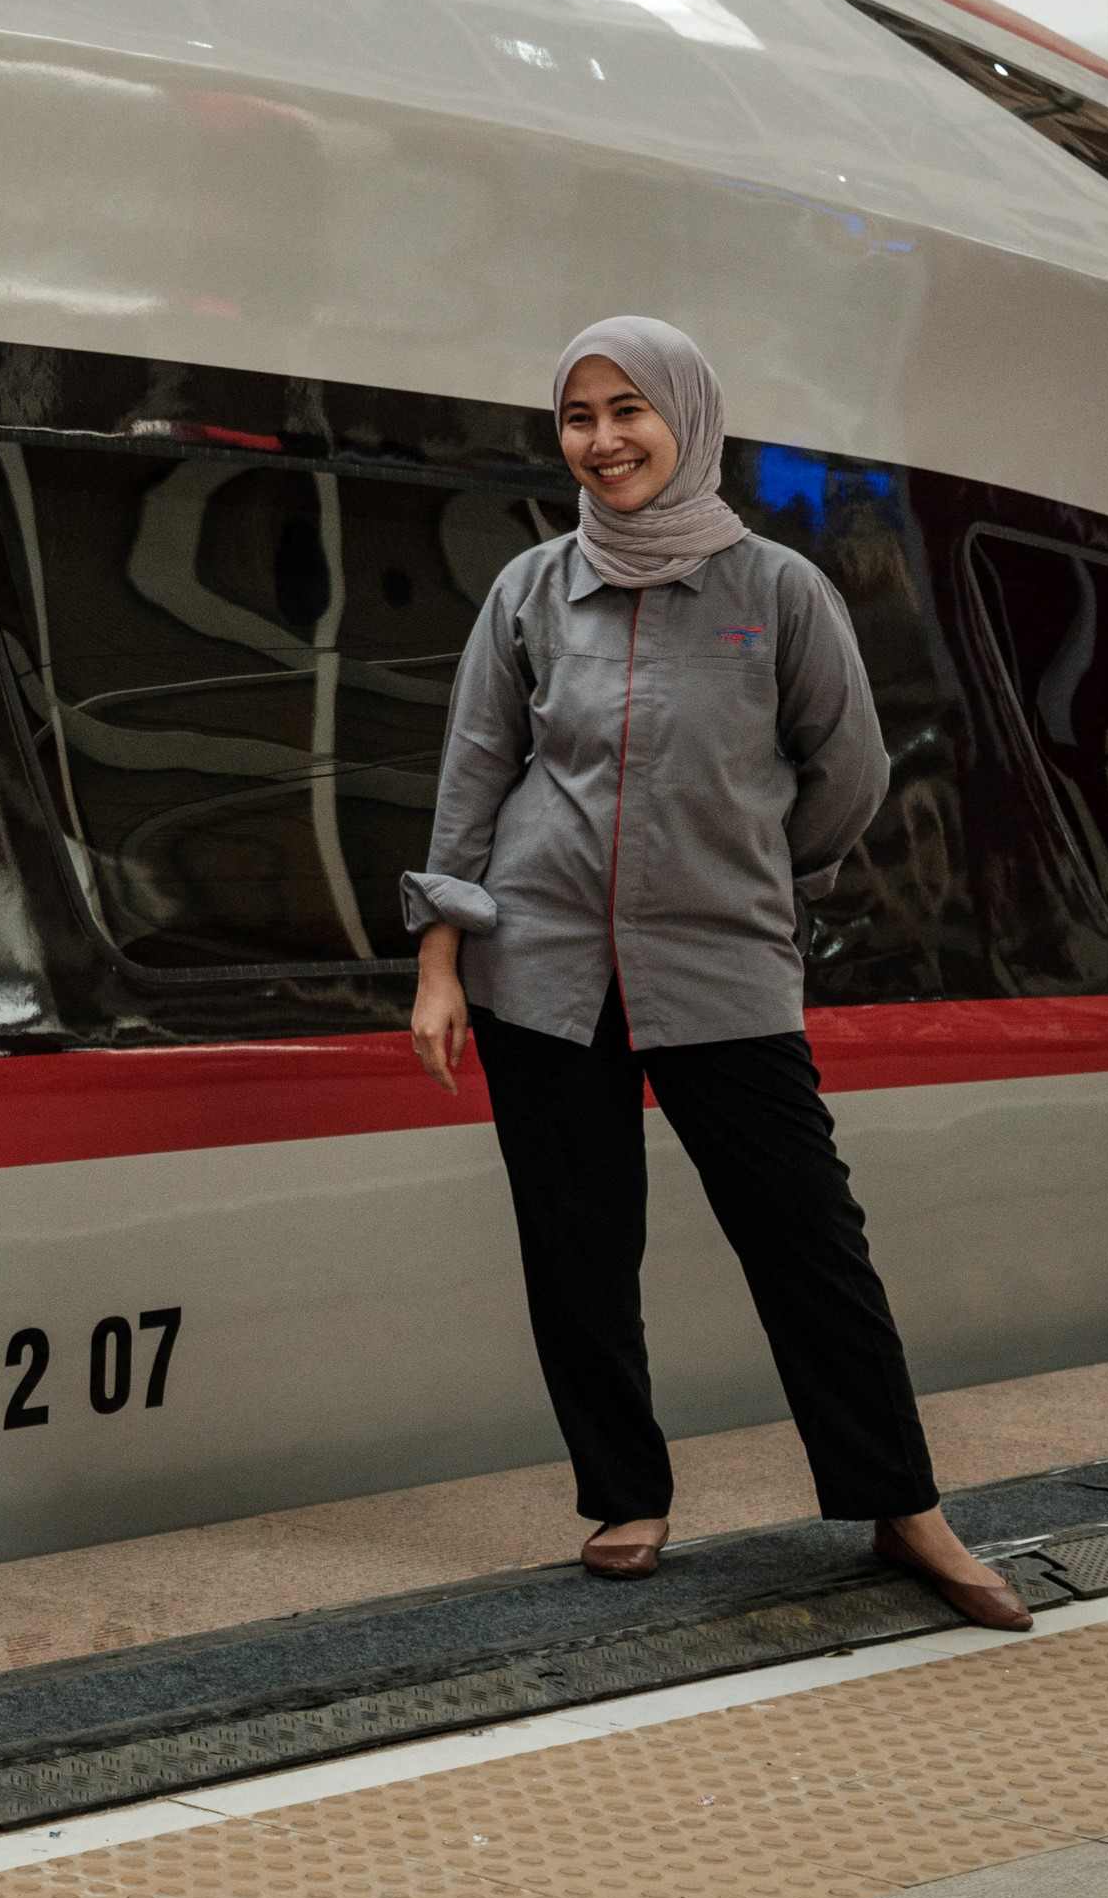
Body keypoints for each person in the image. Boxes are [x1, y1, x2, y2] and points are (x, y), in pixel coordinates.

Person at [401, 323, 1031, 1630]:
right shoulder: (528, 591)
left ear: (686, 415)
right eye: (578, 415)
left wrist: (748, 879)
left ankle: (901, 1505)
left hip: (722, 968)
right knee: (577, 1248)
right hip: (542, 967)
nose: (604, 439)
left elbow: (846, 778)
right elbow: (474, 779)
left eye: (630, 409)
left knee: (809, 1241)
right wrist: (442, 958)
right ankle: (623, 1497)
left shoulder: (779, 593)